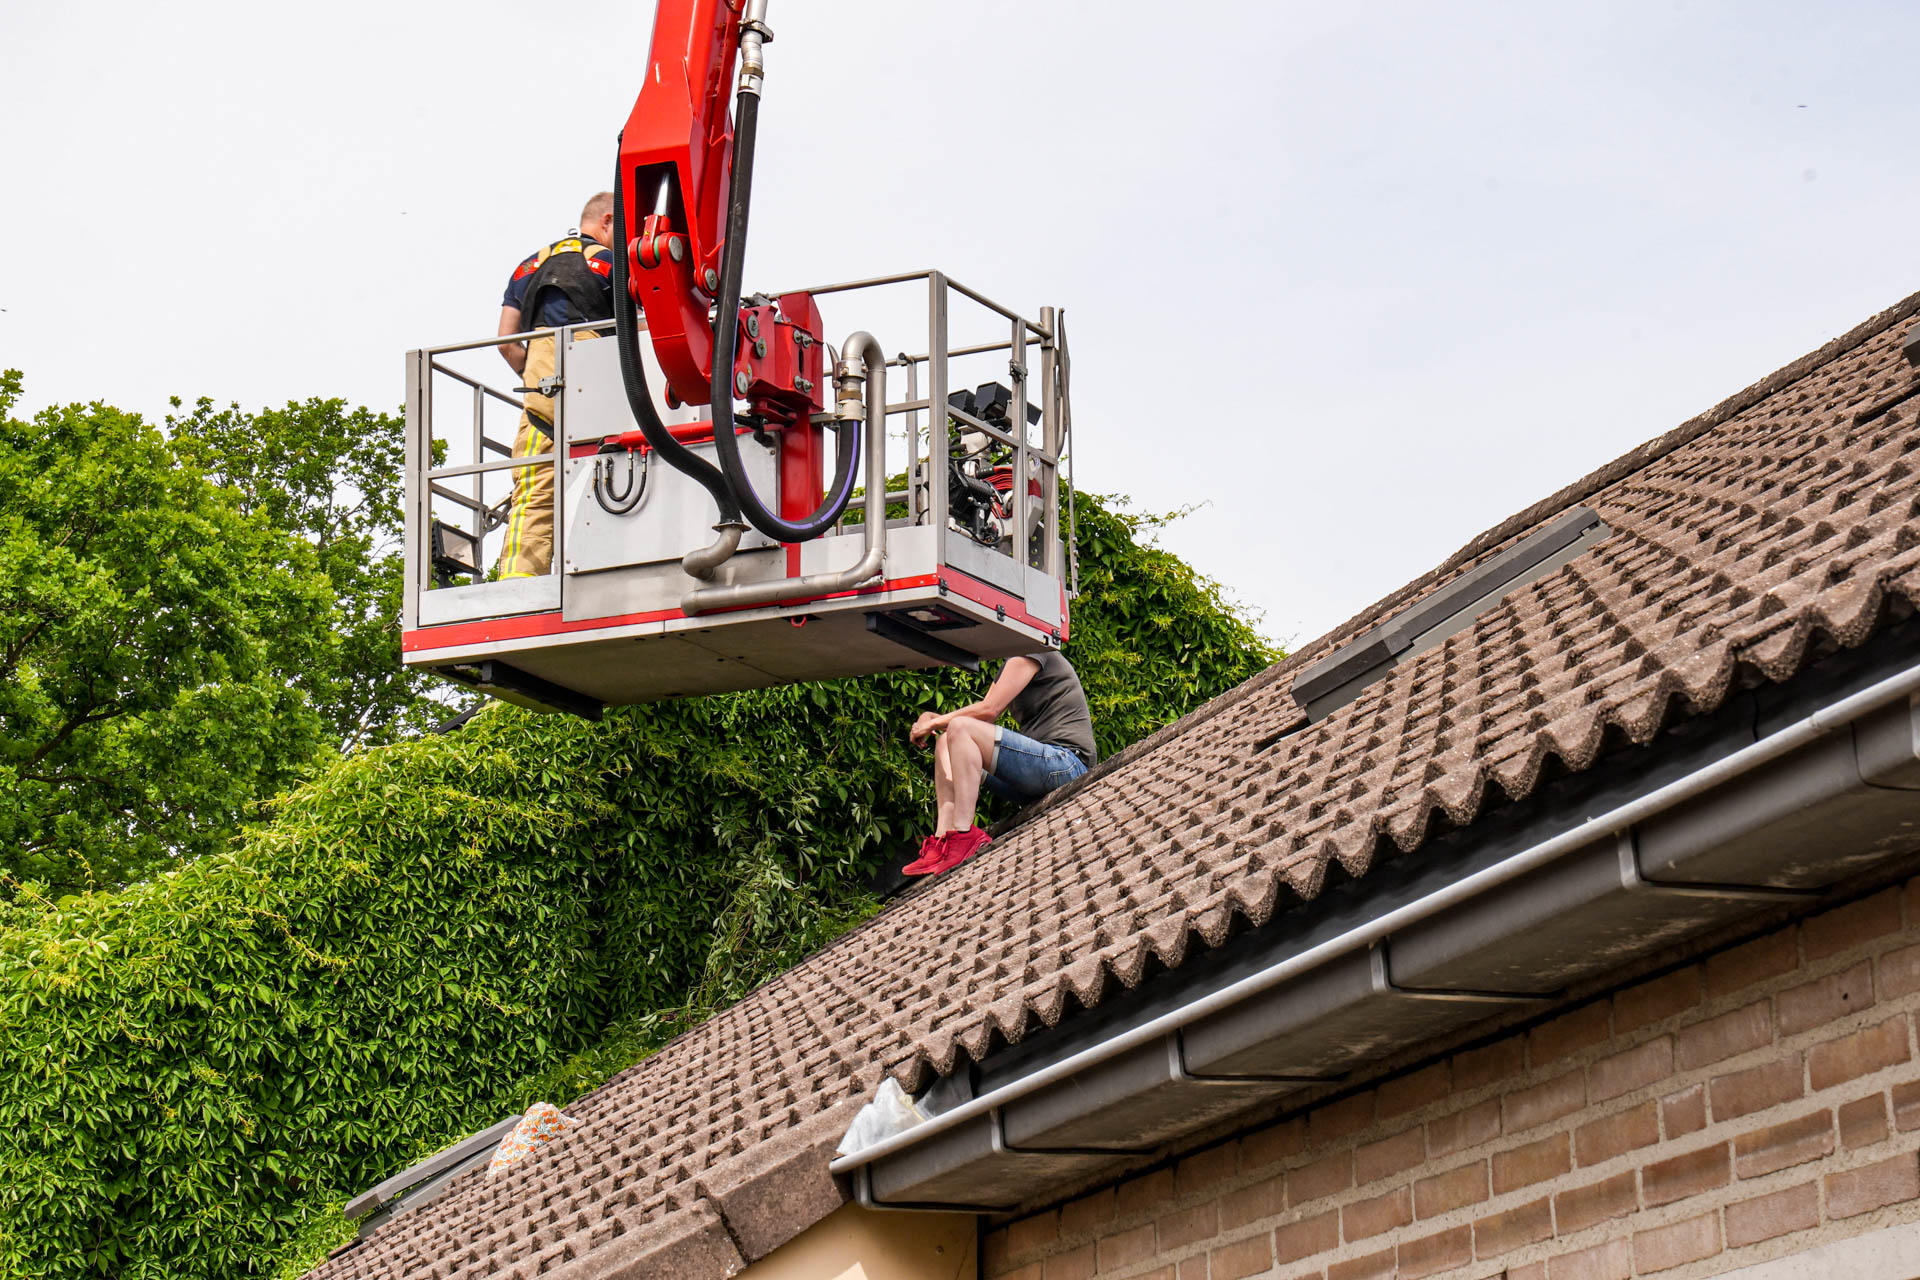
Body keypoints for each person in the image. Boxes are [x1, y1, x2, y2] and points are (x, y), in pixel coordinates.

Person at [494, 193, 618, 578]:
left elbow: (505, 340)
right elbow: (642, 334)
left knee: (532, 493)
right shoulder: (613, 264)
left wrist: (534, 379)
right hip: (599, 387)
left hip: (540, 393)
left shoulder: (527, 266)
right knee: (611, 477)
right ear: (607, 221)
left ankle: (516, 586)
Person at [903, 651, 1097, 877]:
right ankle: (944, 839)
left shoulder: (1033, 649)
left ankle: (965, 836)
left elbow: (988, 710)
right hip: (1037, 777)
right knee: (947, 740)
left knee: (960, 729)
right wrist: (932, 718)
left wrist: (934, 722)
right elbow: (976, 715)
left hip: (1067, 764)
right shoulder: (1009, 663)